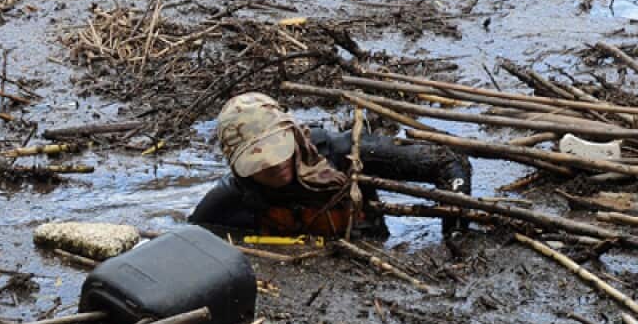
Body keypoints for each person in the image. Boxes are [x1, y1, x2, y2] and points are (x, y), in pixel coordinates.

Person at [189, 92, 471, 236]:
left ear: (295, 137)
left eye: (279, 149)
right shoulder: (230, 198)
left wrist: (455, 231)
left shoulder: (346, 154)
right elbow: (193, 238)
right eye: (258, 162)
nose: (274, 165)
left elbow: (449, 162)